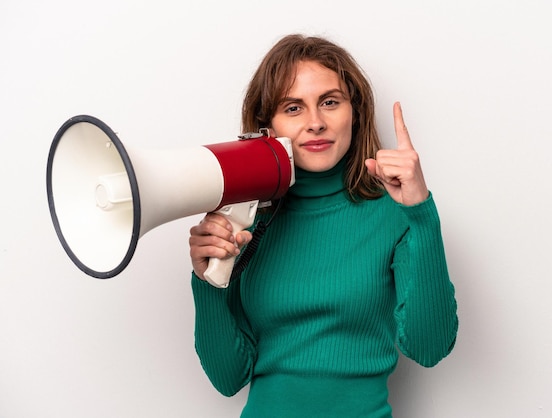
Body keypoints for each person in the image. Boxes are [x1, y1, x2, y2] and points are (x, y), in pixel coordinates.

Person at [188, 34, 458, 418]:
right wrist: (208, 281)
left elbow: (430, 348)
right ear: (268, 126)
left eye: (330, 102)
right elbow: (227, 378)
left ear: (356, 112)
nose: (315, 123)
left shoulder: (393, 212)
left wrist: (421, 215)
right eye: (293, 107)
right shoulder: (247, 222)